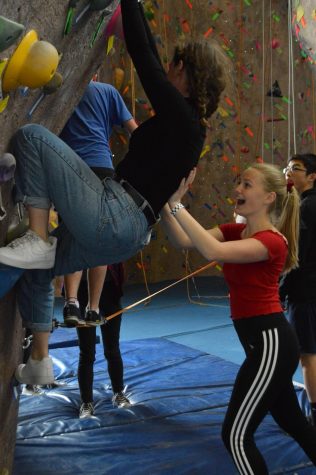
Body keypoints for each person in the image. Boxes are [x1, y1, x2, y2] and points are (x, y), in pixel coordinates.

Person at [0, 0, 228, 385]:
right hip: (129, 232)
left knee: (32, 138)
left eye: (173, 67)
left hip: (117, 212)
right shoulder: (188, 129)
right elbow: (152, 60)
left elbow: (144, 56)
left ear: (183, 70)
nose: (167, 73)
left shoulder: (183, 118)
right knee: (38, 267)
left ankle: (37, 236)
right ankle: (39, 360)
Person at [161, 163, 316, 473]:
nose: (237, 190)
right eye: (238, 183)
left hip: (270, 342)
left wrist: (176, 203)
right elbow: (183, 241)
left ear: (269, 197)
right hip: (262, 344)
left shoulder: (273, 242)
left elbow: (212, 250)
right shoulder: (236, 231)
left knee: (235, 435)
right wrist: (164, 202)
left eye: (247, 185)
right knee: (294, 422)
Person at [59, 81, 137, 327]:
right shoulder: (107, 91)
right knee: (100, 239)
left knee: (73, 236)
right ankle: (93, 307)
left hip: (71, 167)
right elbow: (134, 129)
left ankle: (72, 302)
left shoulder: (65, 89)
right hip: (101, 166)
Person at [279, 153, 316, 426]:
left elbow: (297, 256)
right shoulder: (302, 204)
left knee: (307, 355)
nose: (288, 173)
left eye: (296, 169)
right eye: (287, 168)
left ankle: (313, 414)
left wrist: (281, 289)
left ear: (312, 176)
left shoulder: (306, 207)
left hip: (305, 291)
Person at [76, 263, 131, 418]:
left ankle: (118, 393)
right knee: (87, 352)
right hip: (83, 292)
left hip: (110, 292)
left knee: (112, 348)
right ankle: (86, 402)